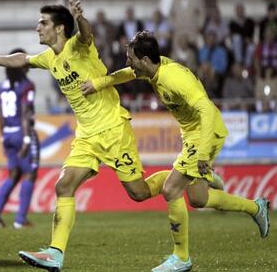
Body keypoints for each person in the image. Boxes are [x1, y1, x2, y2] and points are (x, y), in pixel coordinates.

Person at [0, 0, 178, 271]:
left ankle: (183, 176)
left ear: (59, 28)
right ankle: (55, 253)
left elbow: (86, 34)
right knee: (63, 186)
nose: (38, 28)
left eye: (43, 23)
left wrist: (81, 17)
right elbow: (23, 59)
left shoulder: (78, 47)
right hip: (86, 135)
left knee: (139, 193)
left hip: (112, 130)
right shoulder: (50, 58)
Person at [81, 30, 270, 272]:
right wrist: (98, 83)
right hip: (193, 134)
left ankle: (181, 258)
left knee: (171, 189)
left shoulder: (173, 78)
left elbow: (208, 111)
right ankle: (256, 208)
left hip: (205, 133)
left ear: (145, 60)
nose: (128, 63)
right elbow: (125, 75)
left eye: (131, 58)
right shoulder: (152, 70)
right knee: (199, 199)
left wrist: (202, 154)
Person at [0, 48, 40, 229]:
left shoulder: (3, 85)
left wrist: (2, 137)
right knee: (30, 174)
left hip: (7, 133)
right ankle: (21, 219)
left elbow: (0, 113)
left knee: (13, 174)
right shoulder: (27, 85)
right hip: (21, 133)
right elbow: (25, 113)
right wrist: (26, 139)